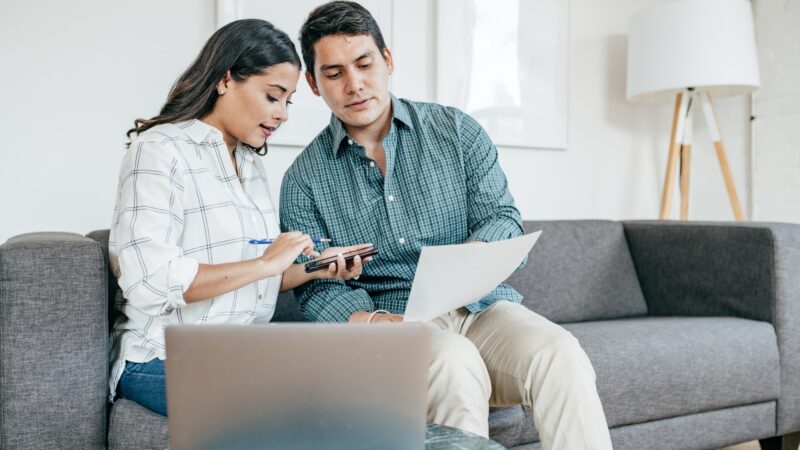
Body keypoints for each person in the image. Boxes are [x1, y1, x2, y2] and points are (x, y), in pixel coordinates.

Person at [279, 2, 613, 449]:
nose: (354, 84)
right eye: (335, 73)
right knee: (452, 363)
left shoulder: (456, 131)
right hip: (394, 323)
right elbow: (316, 289)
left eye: (364, 63)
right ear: (314, 85)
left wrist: (471, 258)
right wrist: (375, 320)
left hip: (484, 306)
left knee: (560, 353)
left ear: (388, 60)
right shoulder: (303, 179)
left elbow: (502, 218)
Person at [108, 18, 371, 417]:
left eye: (288, 101)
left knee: (362, 384)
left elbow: (255, 279)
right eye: (272, 96)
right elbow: (150, 281)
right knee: (306, 410)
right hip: (164, 358)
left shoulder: (249, 163)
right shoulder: (159, 150)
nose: (282, 114)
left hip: (242, 351)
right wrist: (266, 262)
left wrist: (316, 269)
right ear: (226, 80)